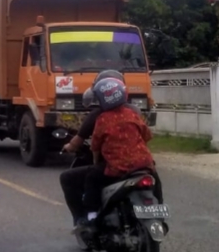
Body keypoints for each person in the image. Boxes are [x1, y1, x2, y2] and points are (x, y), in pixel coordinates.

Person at [60, 77, 162, 230]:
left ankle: (91, 217)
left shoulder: (101, 118)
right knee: (154, 177)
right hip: (143, 164)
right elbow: (146, 136)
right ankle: (159, 210)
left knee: (90, 178)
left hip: (117, 167)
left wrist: (95, 162)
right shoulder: (133, 113)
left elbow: (95, 146)